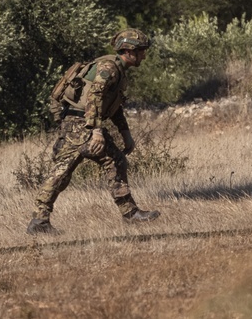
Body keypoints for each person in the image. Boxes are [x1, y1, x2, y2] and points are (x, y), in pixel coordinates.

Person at [26, 28, 160, 234]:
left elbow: (112, 105)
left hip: (80, 123)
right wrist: (96, 130)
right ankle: (40, 220)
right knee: (70, 170)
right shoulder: (109, 68)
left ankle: (40, 220)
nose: (144, 54)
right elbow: (94, 97)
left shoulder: (118, 70)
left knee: (83, 167)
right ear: (129, 50)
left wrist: (125, 133)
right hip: (81, 124)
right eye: (141, 50)